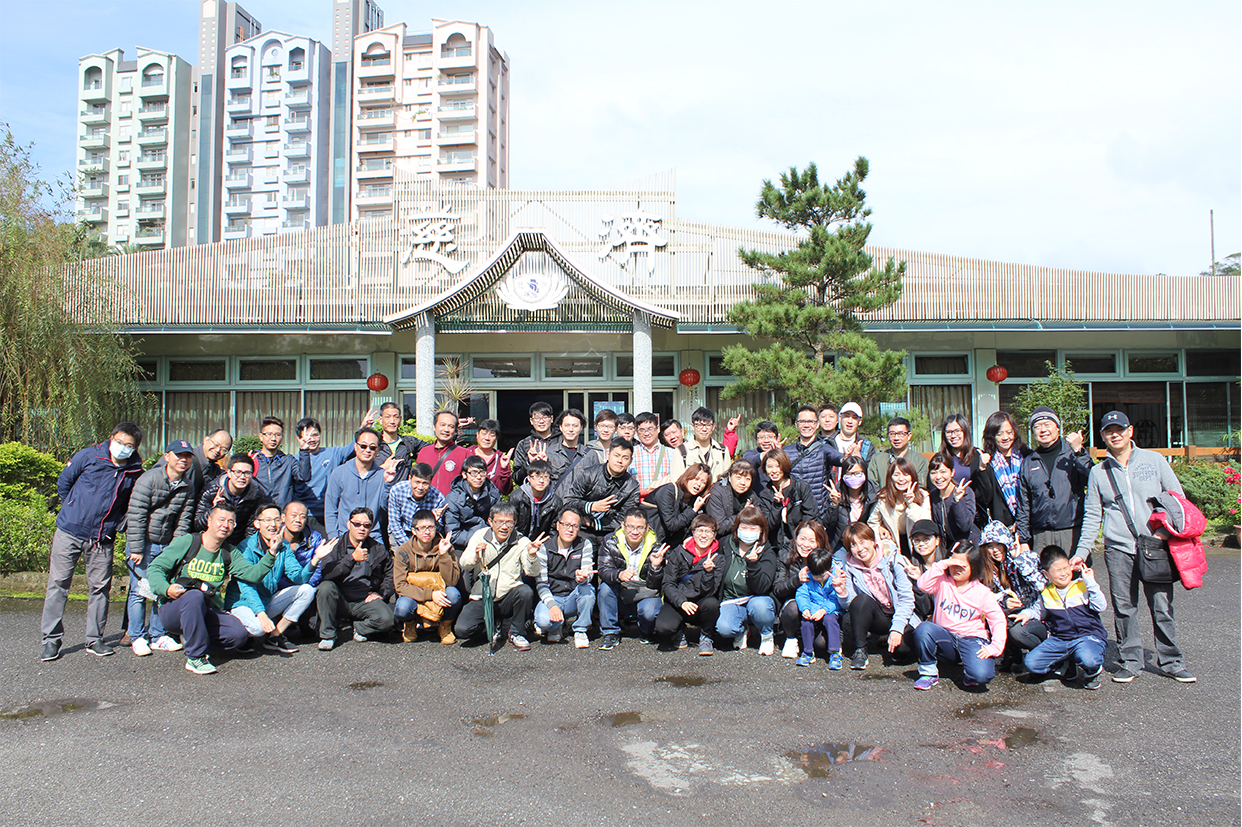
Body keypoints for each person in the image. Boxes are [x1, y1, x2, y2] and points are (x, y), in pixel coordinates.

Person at [1072, 410, 1194, 683]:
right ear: (1102, 436)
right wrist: (1081, 552)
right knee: (1124, 606)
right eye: (1108, 431)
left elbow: (1176, 499)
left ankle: (1172, 661)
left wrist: (1164, 533)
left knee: (1161, 605)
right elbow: (1093, 515)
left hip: (1155, 544)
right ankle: (1130, 660)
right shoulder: (1097, 472)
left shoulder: (1155, 460)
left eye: (1119, 429)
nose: (1114, 434)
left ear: (1130, 432)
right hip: (1118, 548)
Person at [40, 422, 145, 662]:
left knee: (100, 588)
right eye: (119, 442)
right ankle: (51, 640)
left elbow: (131, 504)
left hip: (102, 538)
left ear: (135, 448)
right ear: (111, 438)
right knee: (58, 584)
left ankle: (94, 639)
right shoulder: (89, 456)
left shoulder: (135, 471)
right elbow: (64, 483)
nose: (122, 448)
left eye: (128, 445)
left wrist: (116, 524)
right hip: (70, 532)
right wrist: (72, 510)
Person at [147, 503, 293, 675]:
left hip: (206, 610)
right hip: (174, 608)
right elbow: (155, 568)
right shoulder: (188, 542)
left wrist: (272, 553)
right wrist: (166, 589)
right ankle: (195, 657)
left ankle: (193, 637)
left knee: (238, 635)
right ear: (209, 520)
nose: (225, 525)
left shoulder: (229, 553)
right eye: (221, 520)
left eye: (231, 522)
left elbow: (252, 575)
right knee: (194, 595)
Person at [124, 440, 197, 657]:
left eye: (187, 456)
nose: (183, 460)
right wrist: (136, 548)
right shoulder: (149, 479)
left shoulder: (188, 485)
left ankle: (157, 635)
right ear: (167, 456)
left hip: (166, 544)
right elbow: (136, 515)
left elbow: (184, 520)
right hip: (143, 543)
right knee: (140, 590)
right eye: (178, 455)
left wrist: (175, 549)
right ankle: (137, 636)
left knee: (161, 590)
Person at [911, 543, 1007, 690]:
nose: (956, 568)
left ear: (973, 567)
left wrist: (995, 647)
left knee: (982, 676)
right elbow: (923, 585)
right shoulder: (942, 581)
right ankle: (928, 673)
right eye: (953, 563)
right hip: (945, 638)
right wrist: (943, 563)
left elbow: (998, 620)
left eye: (962, 565)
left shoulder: (982, 592)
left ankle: (970, 672)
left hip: (971, 639)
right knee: (924, 628)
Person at [225, 504, 318, 654]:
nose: (272, 525)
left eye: (276, 520)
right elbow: (247, 587)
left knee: (307, 590)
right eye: (267, 520)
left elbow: (298, 578)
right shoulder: (246, 547)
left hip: (266, 599)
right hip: (242, 602)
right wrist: (261, 615)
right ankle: (235, 625)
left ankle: (275, 635)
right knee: (258, 628)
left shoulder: (283, 546)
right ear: (257, 524)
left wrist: (315, 560)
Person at [1016, 546, 1108, 689]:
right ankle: (1067, 662)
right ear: (1046, 574)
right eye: (1058, 570)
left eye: (1066, 568)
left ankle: (1092, 671)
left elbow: (1101, 607)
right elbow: (1038, 610)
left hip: (1087, 636)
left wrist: (1091, 582)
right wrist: (1026, 614)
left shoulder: (1082, 586)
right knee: (1031, 663)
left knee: (1088, 658)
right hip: (1061, 639)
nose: (1064, 573)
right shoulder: (1047, 593)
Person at [836, 522, 918, 670]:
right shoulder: (850, 567)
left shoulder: (894, 560)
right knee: (860, 600)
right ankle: (860, 650)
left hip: (902, 614)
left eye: (862, 542)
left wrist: (897, 628)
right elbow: (850, 606)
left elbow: (907, 599)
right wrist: (842, 593)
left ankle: (895, 639)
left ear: (873, 541)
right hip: (880, 617)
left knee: (902, 650)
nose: (859, 549)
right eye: (853, 545)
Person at [455, 504, 538, 651]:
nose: (504, 526)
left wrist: (531, 555)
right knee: (462, 629)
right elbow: (464, 563)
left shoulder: (522, 541)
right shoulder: (480, 535)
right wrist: (475, 556)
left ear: (515, 523)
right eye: (499, 521)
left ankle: (517, 632)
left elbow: (532, 572)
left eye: (509, 522)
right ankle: (492, 627)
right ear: (490, 521)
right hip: (484, 596)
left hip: (508, 595)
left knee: (525, 591)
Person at [314, 506, 395, 650]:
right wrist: (351, 559)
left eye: (367, 525)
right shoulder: (335, 545)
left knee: (387, 619)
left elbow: (390, 573)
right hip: (339, 599)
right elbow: (327, 574)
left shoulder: (378, 549)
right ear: (348, 524)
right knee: (325, 587)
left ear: (371, 528)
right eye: (356, 524)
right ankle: (328, 635)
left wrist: (381, 593)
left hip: (364, 600)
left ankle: (360, 627)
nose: (361, 528)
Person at [1015, 405, 1091, 556]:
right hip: (1041, 535)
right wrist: (1023, 540)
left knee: (1073, 578)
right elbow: (1024, 504)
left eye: (1047, 424)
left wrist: (1079, 452)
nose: (1043, 430)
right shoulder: (1029, 461)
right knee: (1043, 578)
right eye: (1037, 426)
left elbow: (1091, 478)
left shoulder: (1072, 455)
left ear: (1058, 428)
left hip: (1071, 531)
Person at [979, 520, 1048, 669]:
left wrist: (1019, 559)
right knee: (998, 614)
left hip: (1039, 614)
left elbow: (1041, 585)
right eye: (990, 546)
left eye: (998, 544)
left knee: (1017, 632)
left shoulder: (1028, 557)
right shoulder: (990, 569)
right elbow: (988, 598)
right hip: (1016, 613)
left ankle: (1046, 655)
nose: (995, 550)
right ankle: (1011, 654)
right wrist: (1005, 602)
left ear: (1006, 542)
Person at [654, 513, 724, 655]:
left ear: (714, 535)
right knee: (663, 628)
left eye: (709, 531)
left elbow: (710, 592)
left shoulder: (719, 558)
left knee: (712, 603)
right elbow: (668, 583)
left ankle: (706, 636)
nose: (703, 535)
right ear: (693, 533)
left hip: (701, 603)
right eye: (699, 530)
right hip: (679, 600)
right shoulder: (679, 552)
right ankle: (679, 629)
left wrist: (708, 572)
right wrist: (682, 602)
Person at [713, 505, 779, 656]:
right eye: (744, 527)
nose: (748, 532)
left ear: (761, 530)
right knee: (725, 628)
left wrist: (753, 565)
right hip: (731, 600)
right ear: (736, 528)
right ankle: (742, 629)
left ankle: (767, 636)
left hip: (755, 599)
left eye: (753, 528)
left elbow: (762, 587)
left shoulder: (767, 551)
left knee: (760, 606)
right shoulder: (725, 545)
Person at [596, 508, 666, 650]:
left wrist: (655, 567)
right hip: (620, 587)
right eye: (631, 527)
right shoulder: (610, 541)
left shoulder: (656, 545)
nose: (635, 532)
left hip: (645, 591)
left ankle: (647, 632)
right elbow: (603, 570)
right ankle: (610, 633)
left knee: (649, 612)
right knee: (604, 589)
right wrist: (618, 574)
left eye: (640, 528)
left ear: (647, 528)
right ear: (623, 526)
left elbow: (655, 585)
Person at [391, 509, 461, 645]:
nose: (427, 532)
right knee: (402, 607)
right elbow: (400, 585)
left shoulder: (444, 545)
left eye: (431, 527)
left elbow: (452, 581)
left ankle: (445, 626)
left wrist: (443, 555)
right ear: (413, 530)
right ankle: (410, 625)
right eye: (422, 528)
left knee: (454, 594)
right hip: (416, 594)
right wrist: (430, 595)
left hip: (440, 591)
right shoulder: (403, 551)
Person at [533, 506, 596, 647]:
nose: (570, 529)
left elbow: (587, 573)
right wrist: (552, 606)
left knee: (588, 589)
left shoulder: (584, 544)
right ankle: (557, 626)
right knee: (543, 621)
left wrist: (583, 577)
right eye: (566, 525)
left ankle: (580, 630)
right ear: (558, 525)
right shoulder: (545, 547)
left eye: (575, 526)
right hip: (552, 595)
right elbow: (541, 584)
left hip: (573, 594)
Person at [563, 438, 640, 546]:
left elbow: (626, 517)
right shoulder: (588, 474)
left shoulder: (632, 486)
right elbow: (568, 501)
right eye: (616, 455)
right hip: (582, 529)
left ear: (631, 460)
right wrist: (590, 506)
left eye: (625, 458)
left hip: (611, 533)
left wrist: (596, 523)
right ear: (608, 454)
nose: (620, 461)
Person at [774, 520, 831, 659]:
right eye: (802, 539)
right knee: (793, 607)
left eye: (812, 541)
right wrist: (796, 580)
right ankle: (791, 638)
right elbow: (778, 589)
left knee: (821, 645)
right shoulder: (784, 554)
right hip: (792, 607)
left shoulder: (825, 559)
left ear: (820, 543)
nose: (805, 545)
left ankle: (809, 636)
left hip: (818, 608)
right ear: (796, 538)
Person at [324, 428, 391, 543]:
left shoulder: (382, 476)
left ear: (377, 451)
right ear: (355, 447)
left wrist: (388, 484)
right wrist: (334, 537)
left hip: (373, 537)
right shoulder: (339, 473)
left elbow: (385, 508)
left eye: (372, 447)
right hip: (344, 537)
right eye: (363, 446)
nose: (367, 450)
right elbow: (331, 508)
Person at [785, 405, 848, 523]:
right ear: (796, 424)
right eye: (802, 421)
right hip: (793, 513)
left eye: (811, 421)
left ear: (817, 424)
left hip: (818, 513)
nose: (806, 425)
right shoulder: (787, 451)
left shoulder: (824, 448)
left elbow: (836, 458)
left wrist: (845, 458)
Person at [193, 453, 271, 547]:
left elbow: (251, 528)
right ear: (229, 473)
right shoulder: (212, 490)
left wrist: (244, 549)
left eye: (247, 473)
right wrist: (213, 509)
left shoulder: (257, 495)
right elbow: (197, 524)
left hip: (237, 544)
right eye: (238, 472)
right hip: (210, 542)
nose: (242, 477)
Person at [291, 418, 355, 525]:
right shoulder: (294, 460)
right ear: (299, 438)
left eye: (315, 435)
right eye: (307, 436)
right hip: (303, 515)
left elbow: (352, 449)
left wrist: (364, 428)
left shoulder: (332, 453)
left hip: (327, 512)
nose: (312, 439)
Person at [794, 548, 849, 669]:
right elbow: (802, 594)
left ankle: (835, 652)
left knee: (830, 620)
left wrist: (824, 610)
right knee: (806, 622)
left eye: (822, 575)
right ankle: (808, 652)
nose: (818, 578)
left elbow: (835, 598)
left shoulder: (836, 577)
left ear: (830, 570)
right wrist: (805, 609)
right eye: (815, 576)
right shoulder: (808, 578)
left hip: (831, 610)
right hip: (814, 608)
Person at [975, 411, 1029, 530]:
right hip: (1001, 529)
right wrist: (982, 469)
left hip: (1026, 524)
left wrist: (1021, 521)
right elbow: (985, 498)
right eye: (999, 434)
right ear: (992, 436)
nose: (1005, 437)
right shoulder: (988, 461)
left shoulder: (1025, 457)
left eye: (1009, 432)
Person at [868, 457, 932, 557]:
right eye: (896, 475)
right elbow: (872, 523)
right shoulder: (883, 498)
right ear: (890, 477)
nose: (901, 479)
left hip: (917, 544)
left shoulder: (923, 495)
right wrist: (879, 529)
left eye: (906, 475)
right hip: (893, 545)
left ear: (912, 477)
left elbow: (926, 523)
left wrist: (911, 504)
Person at [757, 449, 816, 554]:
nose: (774, 471)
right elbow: (768, 525)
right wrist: (776, 505)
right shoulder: (764, 494)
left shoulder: (801, 487)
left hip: (801, 544)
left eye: (778, 466)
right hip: (777, 546)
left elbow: (810, 516)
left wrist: (799, 540)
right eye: (770, 467)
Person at [444, 455, 503, 552]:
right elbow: (453, 533)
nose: (479, 477)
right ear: (464, 474)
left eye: (482, 473)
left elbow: (498, 521)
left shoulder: (492, 493)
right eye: (474, 473)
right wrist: (477, 541)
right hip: (462, 545)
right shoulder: (453, 498)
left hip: (489, 541)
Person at [894, 519, 950, 621]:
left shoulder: (947, 565)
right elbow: (925, 609)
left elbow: (943, 602)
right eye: (917, 540)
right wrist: (917, 582)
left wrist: (923, 579)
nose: (921, 544)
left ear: (937, 540)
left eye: (926, 539)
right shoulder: (912, 567)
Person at [647, 463, 712, 547]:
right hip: (650, 540)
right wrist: (693, 510)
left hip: (671, 544)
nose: (698, 484)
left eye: (703, 482)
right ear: (687, 477)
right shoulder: (668, 491)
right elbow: (671, 525)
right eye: (696, 479)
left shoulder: (696, 501)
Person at [251, 416, 310, 508]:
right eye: (269, 434)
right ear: (261, 437)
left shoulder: (288, 461)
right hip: (260, 515)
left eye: (278, 435)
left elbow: (304, 476)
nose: (273, 438)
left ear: (282, 437)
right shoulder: (252, 460)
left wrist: (304, 451)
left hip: (282, 515)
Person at [386, 462, 448, 549]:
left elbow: (438, 531)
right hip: (402, 531)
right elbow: (394, 523)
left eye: (425, 483)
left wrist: (435, 521)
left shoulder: (438, 498)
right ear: (410, 479)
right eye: (417, 482)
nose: (420, 487)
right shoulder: (397, 490)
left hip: (425, 535)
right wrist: (410, 547)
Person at [823, 456, 878, 550]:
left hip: (866, 541)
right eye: (849, 474)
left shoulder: (874, 494)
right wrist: (834, 504)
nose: (854, 477)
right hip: (841, 542)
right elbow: (828, 524)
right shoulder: (835, 493)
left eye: (858, 473)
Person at [927, 452, 979, 547]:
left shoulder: (965, 492)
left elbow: (965, 526)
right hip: (946, 548)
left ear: (952, 473)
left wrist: (957, 501)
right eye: (934, 473)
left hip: (967, 546)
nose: (938, 477)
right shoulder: (933, 496)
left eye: (943, 472)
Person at [415, 411, 473, 495]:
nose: (446, 429)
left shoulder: (465, 454)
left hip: (452, 506)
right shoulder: (424, 452)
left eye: (451, 426)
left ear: (456, 430)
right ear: (434, 427)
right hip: (427, 505)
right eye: (442, 425)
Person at [867, 417, 929, 491]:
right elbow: (872, 486)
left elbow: (921, 488)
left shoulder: (920, 461)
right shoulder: (877, 459)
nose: (896, 438)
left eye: (901, 434)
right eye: (892, 434)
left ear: (909, 435)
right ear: (888, 435)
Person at [374, 401, 430, 485]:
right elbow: (362, 471)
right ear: (380, 420)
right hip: (379, 493)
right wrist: (382, 468)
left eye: (395, 417)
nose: (392, 421)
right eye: (387, 417)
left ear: (400, 419)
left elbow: (435, 448)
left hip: (402, 494)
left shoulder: (409, 443)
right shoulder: (373, 444)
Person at [632, 411, 684, 498]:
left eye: (650, 429)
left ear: (658, 429)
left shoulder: (672, 454)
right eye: (642, 430)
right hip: (637, 505)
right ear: (636, 432)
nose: (646, 433)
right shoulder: (631, 454)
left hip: (664, 505)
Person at [705, 458, 760, 537]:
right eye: (738, 477)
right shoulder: (717, 493)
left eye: (747, 479)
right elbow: (719, 527)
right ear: (730, 477)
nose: (743, 482)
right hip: (719, 538)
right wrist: (742, 514)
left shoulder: (751, 496)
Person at [509, 459, 561, 541]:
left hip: (543, 544)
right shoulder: (517, 497)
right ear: (529, 478)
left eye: (545, 477)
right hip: (518, 542)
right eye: (537, 476)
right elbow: (511, 525)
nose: (541, 481)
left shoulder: (555, 502)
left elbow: (554, 530)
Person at [512, 402, 558, 487]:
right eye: (537, 418)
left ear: (551, 419)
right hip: (533, 497)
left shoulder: (562, 442)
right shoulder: (524, 444)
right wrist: (529, 463)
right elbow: (517, 478)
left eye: (545, 417)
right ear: (531, 421)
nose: (541, 421)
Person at [830, 403, 875, 483]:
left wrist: (859, 459)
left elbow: (870, 478)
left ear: (860, 421)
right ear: (840, 418)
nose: (850, 421)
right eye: (847, 416)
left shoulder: (867, 447)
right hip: (831, 493)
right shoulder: (827, 444)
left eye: (854, 417)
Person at [684, 406, 732, 481]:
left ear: (713, 427)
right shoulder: (682, 451)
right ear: (692, 426)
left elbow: (728, 480)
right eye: (699, 425)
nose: (704, 429)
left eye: (708, 425)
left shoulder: (722, 451)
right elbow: (677, 482)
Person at [545, 408, 588, 490]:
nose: (571, 429)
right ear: (560, 427)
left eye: (575, 426)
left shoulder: (590, 455)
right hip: (556, 501)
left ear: (581, 428)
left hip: (581, 501)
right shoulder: (549, 453)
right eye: (567, 425)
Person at [938, 413, 982, 486]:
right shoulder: (940, 458)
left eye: (957, 431)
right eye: (949, 432)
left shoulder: (977, 456)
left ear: (965, 431)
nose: (953, 436)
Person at [472, 418, 512, 495]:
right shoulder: (466, 454)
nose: (487, 438)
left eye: (492, 434)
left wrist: (504, 469)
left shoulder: (501, 459)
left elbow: (505, 491)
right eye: (484, 433)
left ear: (496, 438)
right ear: (477, 435)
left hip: (492, 504)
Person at [740, 420, 784, 486]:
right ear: (756, 439)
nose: (766, 441)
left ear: (777, 437)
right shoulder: (750, 454)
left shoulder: (785, 454)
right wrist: (768, 454)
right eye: (762, 437)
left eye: (770, 437)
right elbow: (748, 462)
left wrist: (779, 454)